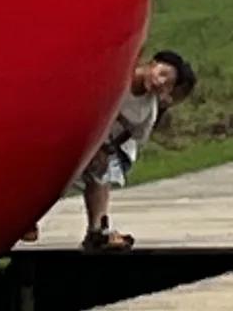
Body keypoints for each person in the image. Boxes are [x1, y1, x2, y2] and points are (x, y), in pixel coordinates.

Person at [65, 48, 197, 253]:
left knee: (100, 172)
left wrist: (106, 149)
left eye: (167, 84)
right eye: (161, 74)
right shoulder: (118, 76)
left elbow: (133, 135)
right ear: (151, 64)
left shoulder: (148, 110)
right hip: (81, 130)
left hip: (110, 144)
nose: (160, 82)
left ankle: (97, 230)